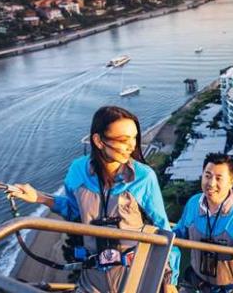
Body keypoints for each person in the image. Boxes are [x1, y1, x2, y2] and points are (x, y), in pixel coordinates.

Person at [10, 106, 180, 293]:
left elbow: (162, 227)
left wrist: (169, 279)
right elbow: (74, 211)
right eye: (123, 140)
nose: (132, 146)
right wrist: (39, 197)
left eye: (134, 138)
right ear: (98, 141)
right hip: (93, 277)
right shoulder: (78, 171)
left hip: (134, 275)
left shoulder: (143, 177)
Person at [174, 153, 233, 293]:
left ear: (231, 182)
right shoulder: (194, 203)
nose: (211, 183)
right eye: (207, 176)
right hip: (196, 282)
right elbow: (179, 232)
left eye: (219, 178)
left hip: (231, 287)